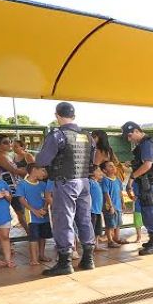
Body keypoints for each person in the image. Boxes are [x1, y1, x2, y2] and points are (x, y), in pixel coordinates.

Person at [35, 102, 97, 275]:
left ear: (57, 115)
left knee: (64, 220)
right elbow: (92, 158)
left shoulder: (58, 135)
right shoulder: (87, 135)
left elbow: (41, 161)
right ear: (74, 116)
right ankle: (88, 259)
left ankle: (65, 262)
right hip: (84, 181)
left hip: (65, 182)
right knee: (84, 218)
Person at [122, 122, 153, 256]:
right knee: (151, 210)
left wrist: (132, 177)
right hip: (148, 182)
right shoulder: (148, 142)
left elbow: (147, 165)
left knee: (149, 211)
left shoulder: (147, 143)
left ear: (136, 131)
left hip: (147, 183)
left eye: (130, 135)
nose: (129, 139)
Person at [0, 133, 30, 235]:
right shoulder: (0, 156)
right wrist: (30, 170)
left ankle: (28, 233)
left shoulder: (6, 155)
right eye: (5, 143)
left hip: (12, 186)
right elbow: (13, 170)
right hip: (7, 187)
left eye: (10, 142)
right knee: (18, 211)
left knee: (20, 211)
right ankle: (29, 234)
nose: (9, 144)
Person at [16, 164, 53, 266]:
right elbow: (21, 199)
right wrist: (34, 210)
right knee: (33, 237)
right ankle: (33, 258)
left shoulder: (42, 184)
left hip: (43, 215)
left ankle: (41, 255)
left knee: (43, 236)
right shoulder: (23, 184)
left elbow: (47, 197)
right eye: (42, 170)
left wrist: (45, 208)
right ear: (34, 170)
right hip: (32, 216)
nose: (44, 173)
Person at [101, 160, 125, 247]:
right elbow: (106, 193)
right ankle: (110, 241)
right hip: (109, 207)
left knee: (118, 223)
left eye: (113, 165)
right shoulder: (105, 180)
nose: (113, 167)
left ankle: (116, 238)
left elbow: (120, 192)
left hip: (118, 206)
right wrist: (111, 206)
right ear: (104, 170)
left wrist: (122, 202)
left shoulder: (117, 179)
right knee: (110, 224)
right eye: (110, 166)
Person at [88, 165, 107, 250]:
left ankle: (96, 245)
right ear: (92, 173)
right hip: (91, 211)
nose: (101, 173)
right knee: (91, 229)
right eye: (98, 171)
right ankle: (90, 245)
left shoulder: (97, 183)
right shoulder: (90, 182)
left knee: (97, 229)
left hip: (98, 210)